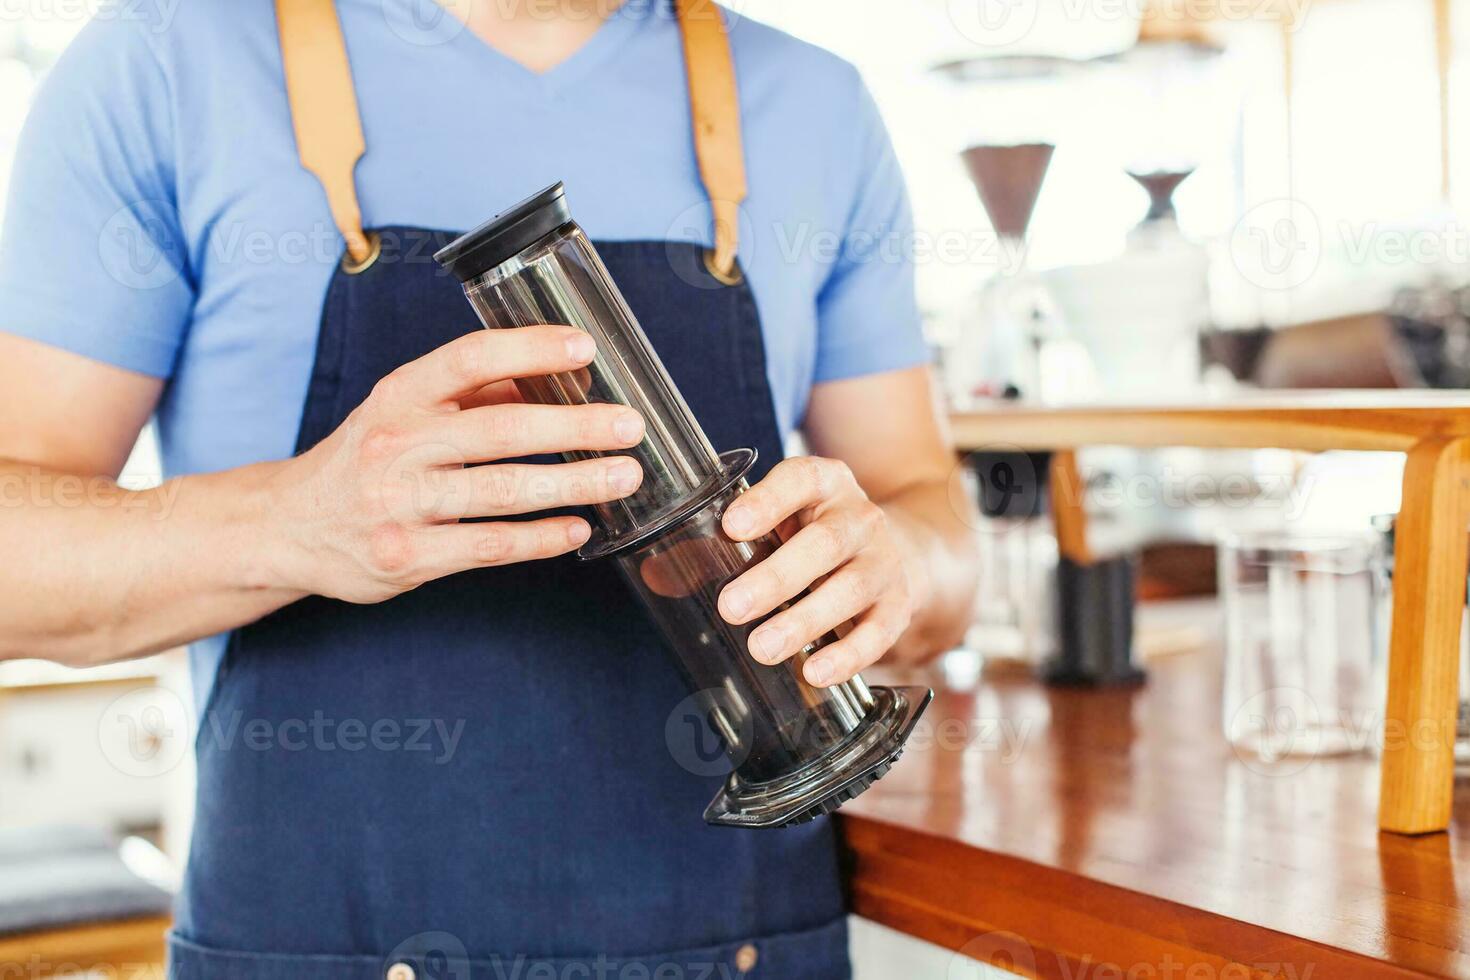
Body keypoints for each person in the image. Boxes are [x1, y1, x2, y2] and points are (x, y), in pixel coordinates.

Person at [0, 0, 979, 975]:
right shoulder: (167, 65)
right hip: (318, 948)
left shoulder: (815, 103)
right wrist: (291, 523)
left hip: (749, 946)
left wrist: (900, 565)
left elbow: (933, 531)